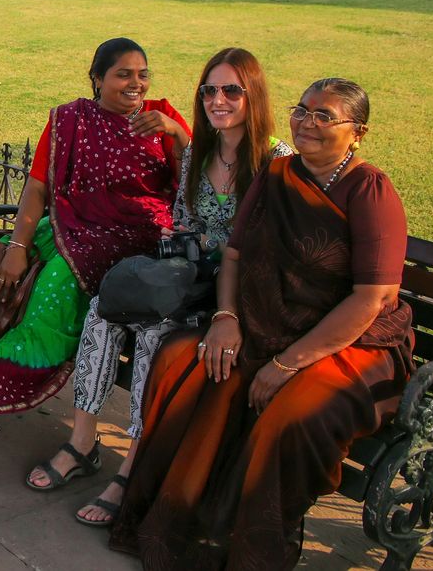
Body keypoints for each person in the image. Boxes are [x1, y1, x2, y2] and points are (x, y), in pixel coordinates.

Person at [111, 78, 412, 570]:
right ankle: (177, 523)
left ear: (357, 132)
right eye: (303, 110)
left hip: (351, 344)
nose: (307, 122)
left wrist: (287, 363)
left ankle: (247, 551)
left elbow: (372, 298)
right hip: (267, 321)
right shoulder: (276, 174)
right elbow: (233, 252)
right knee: (182, 362)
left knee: (285, 416)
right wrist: (226, 318)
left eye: (324, 116)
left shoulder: (369, 190)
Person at [36, 47, 294, 528]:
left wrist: (224, 303)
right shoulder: (200, 152)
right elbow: (181, 220)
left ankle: (134, 467)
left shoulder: (276, 160)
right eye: (210, 90)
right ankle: (83, 442)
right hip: (190, 279)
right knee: (103, 311)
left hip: (235, 297)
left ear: (253, 95)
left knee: (155, 337)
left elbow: (279, 249)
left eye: (231, 90)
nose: (219, 99)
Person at [0, 38, 190, 425]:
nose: (136, 83)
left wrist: (176, 132)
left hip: (137, 238)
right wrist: (18, 247)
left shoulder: (163, 117)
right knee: (1, 273)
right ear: (96, 79)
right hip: (71, 225)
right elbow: (38, 187)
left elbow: (194, 181)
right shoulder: (70, 120)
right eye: (123, 74)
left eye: (143, 75)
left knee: (55, 282)